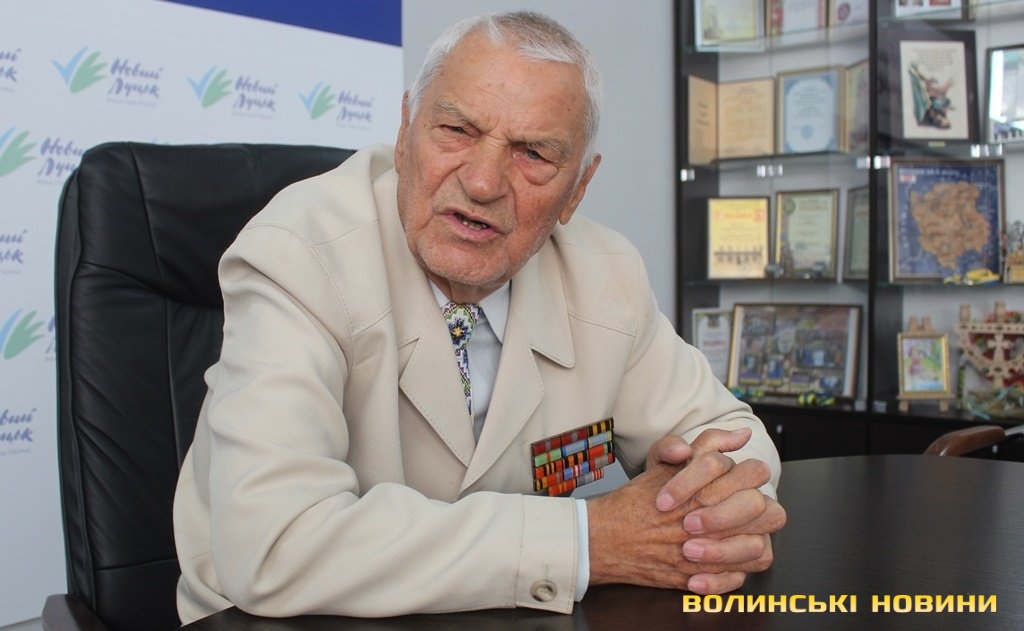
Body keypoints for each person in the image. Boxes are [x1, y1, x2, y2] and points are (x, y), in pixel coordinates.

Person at [173, 10, 785, 624]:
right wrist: (587, 541)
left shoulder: (608, 275)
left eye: (534, 153)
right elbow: (278, 544)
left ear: (578, 188)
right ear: (405, 130)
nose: (484, 182)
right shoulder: (297, 254)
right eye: (456, 130)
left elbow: (728, 429)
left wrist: (713, 506)